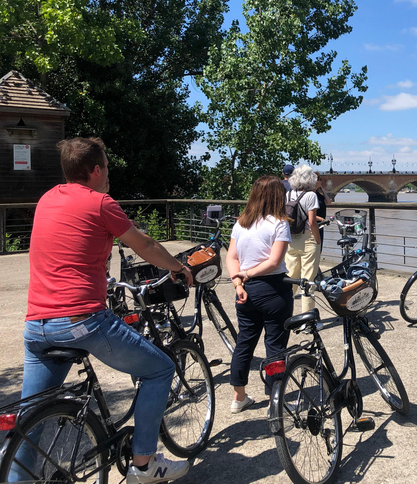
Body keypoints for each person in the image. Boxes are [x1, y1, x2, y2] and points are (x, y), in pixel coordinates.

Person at [22, 137, 193, 484]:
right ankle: (145, 466)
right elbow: (144, 244)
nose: (109, 176)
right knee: (160, 369)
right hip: (80, 320)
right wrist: (177, 267)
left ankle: (15, 476)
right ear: (96, 170)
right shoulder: (101, 203)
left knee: (29, 419)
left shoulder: (47, 198)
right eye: (108, 169)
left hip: (36, 326)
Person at [226, 176, 293, 413]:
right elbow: (275, 262)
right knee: (275, 345)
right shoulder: (279, 223)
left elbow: (231, 257)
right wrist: (249, 274)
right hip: (274, 289)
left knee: (244, 343)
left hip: (245, 291)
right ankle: (275, 399)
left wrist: (239, 283)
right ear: (278, 196)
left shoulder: (240, 223)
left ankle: (238, 397)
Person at [285, 165, 322, 312]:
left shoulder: (288, 194)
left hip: (291, 239)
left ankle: (284, 314)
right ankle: (307, 321)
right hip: (308, 239)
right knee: (308, 281)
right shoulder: (311, 195)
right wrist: (317, 239)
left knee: (290, 278)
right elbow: (312, 222)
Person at [314, 172, 331, 250]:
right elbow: (307, 213)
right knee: (315, 247)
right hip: (314, 224)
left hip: (321, 225)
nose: (320, 181)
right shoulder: (310, 195)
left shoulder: (319, 195)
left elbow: (328, 202)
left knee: (319, 248)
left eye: (320, 179)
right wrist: (321, 219)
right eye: (318, 180)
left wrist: (322, 189)